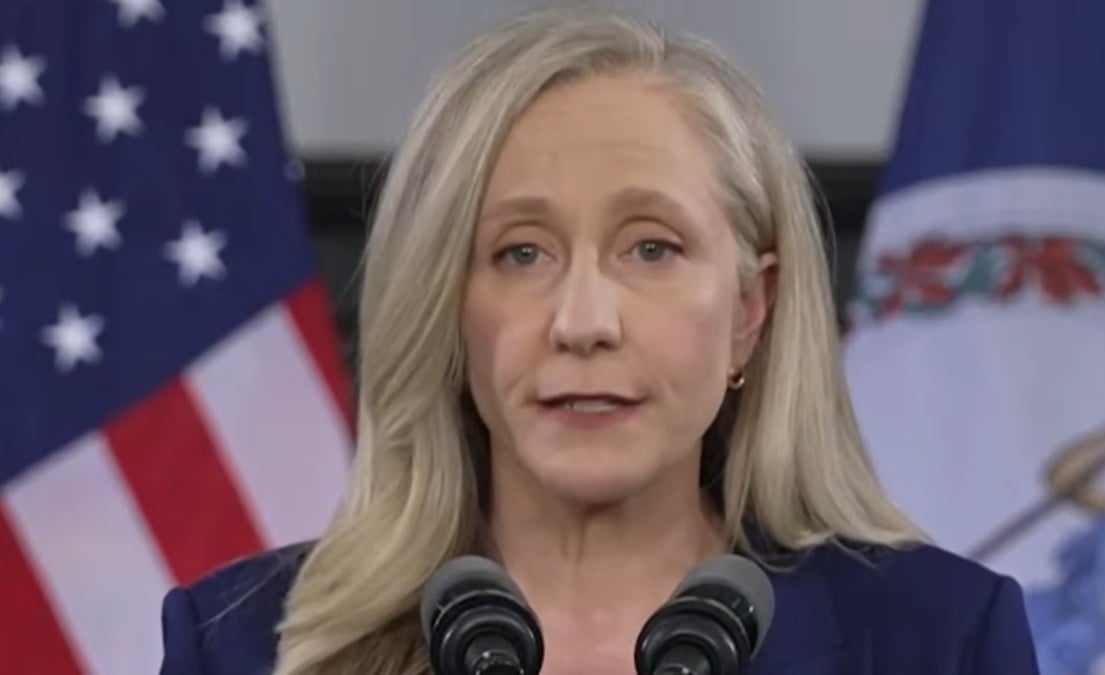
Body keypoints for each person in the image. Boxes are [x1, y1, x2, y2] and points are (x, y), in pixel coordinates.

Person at [158, 6, 1040, 674]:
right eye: (522, 252)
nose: (583, 321)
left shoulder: (939, 639)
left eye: (652, 248)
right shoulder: (239, 645)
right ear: (445, 309)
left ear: (750, 311)